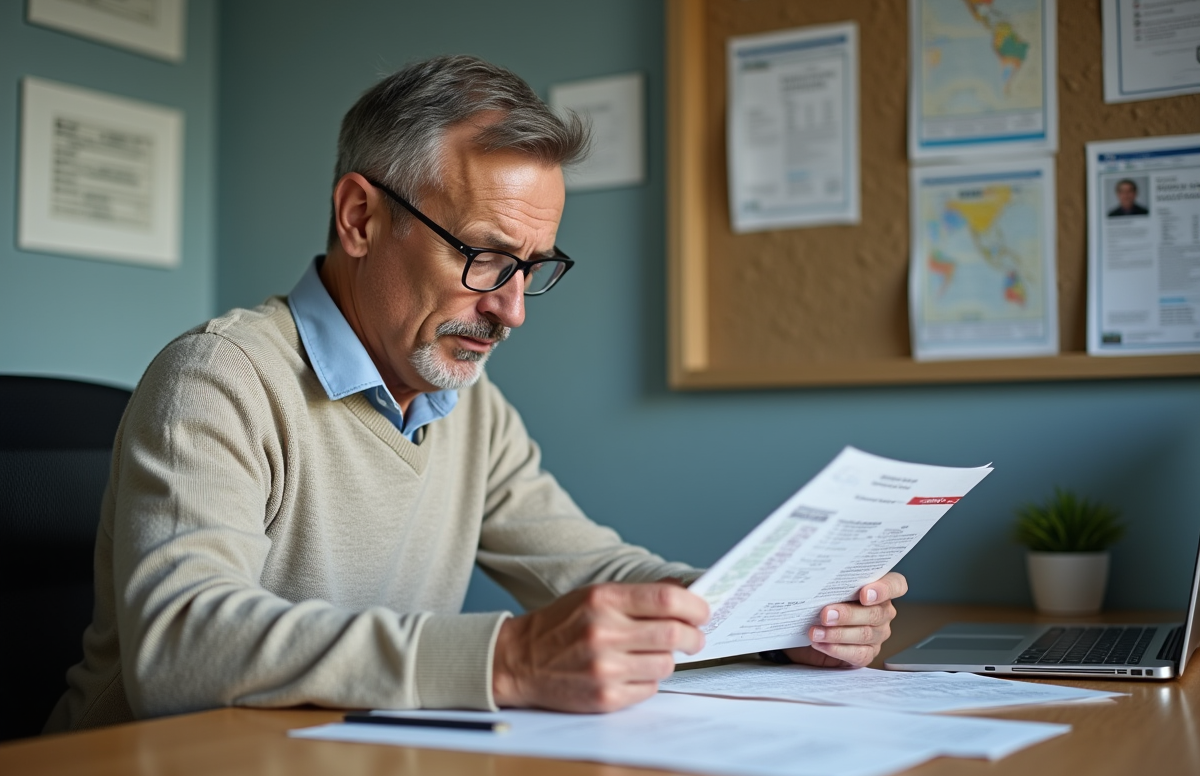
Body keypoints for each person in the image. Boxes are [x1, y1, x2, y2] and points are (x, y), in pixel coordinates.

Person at [46, 56, 906, 732]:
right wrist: (507, 658)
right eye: (486, 257)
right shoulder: (219, 378)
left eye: (533, 267)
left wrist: (779, 620)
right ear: (360, 217)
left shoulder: (466, 402)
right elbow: (181, 645)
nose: (512, 309)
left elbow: (590, 569)